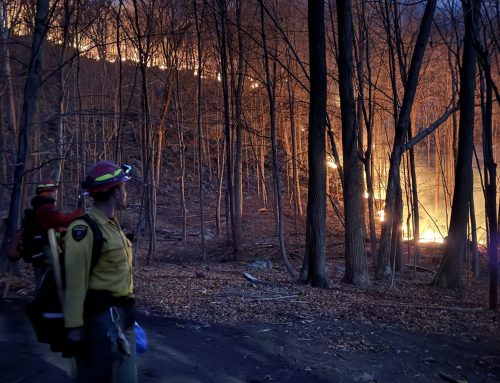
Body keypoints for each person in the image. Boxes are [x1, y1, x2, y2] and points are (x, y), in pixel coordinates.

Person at [63, 161, 137, 383]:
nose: (125, 192)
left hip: (123, 316)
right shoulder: (84, 229)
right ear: (115, 192)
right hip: (100, 322)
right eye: (123, 188)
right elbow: (75, 280)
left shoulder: (112, 225)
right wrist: (74, 328)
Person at [30, 179, 84, 290]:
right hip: (45, 249)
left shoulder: (39, 208)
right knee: (50, 276)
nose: (55, 194)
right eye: (53, 191)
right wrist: (79, 210)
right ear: (46, 192)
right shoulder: (46, 208)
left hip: (40, 249)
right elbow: (65, 220)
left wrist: (61, 239)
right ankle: (43, 303)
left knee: (45, 278)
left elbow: (55, 231)